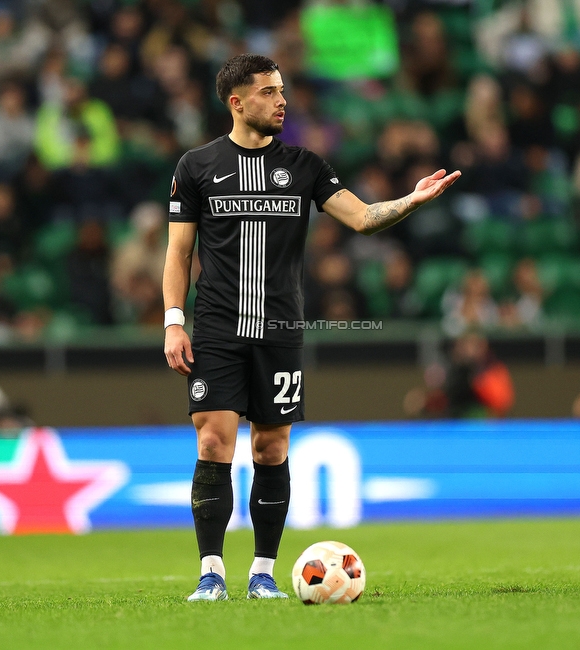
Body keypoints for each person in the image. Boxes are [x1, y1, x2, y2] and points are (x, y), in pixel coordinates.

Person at [163, 54, 460, 602]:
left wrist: (409, 202)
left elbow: (363, 218)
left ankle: (261, 574)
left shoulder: (305, 165)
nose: (282, 101)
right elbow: (179, 252)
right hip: (216, 328)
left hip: (279, 330)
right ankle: (210, 574)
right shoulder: (196, 166)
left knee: (271, 450)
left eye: (283, 90)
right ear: (237, 102)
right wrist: (173, 321)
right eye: (270, 92)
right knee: (212, 441)